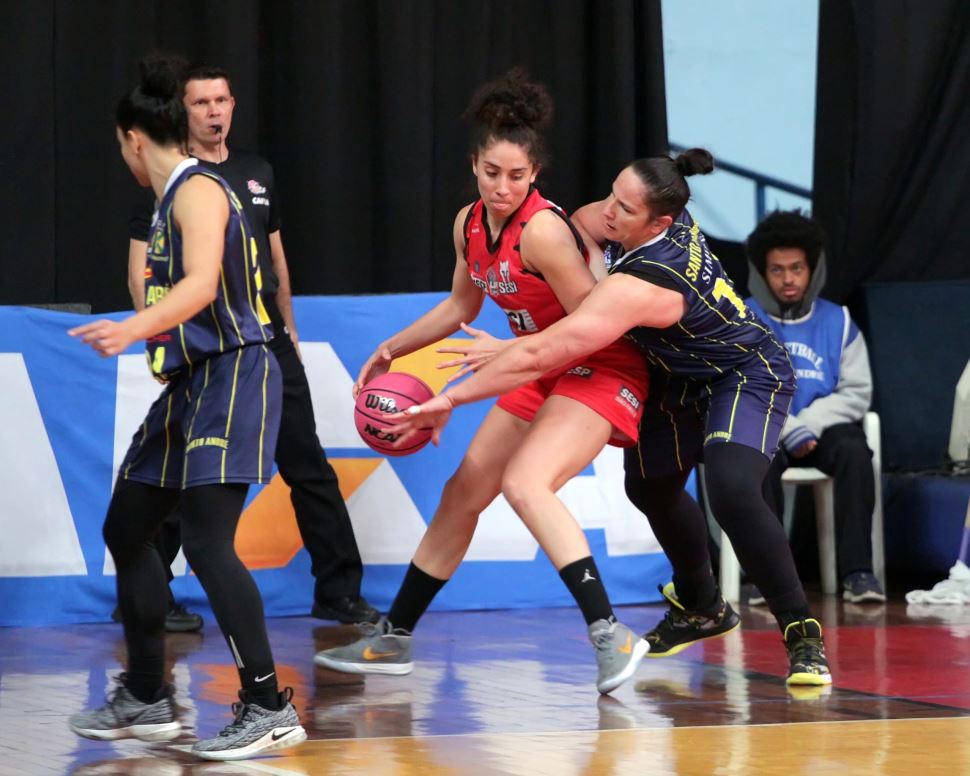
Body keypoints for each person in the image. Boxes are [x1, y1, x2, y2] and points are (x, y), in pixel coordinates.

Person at [391, 150, 833, 687]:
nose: (609, 213)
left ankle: (802, 634)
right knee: (648, 486)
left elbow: (544, 352)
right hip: (673, 375)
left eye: (624, 209)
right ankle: (702, 607)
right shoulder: (641, 212)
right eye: (612, 196)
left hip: (741, 371)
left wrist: (457, 395)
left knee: (733, 488)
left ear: (660, 223)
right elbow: (581, 224)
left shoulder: (645, 281)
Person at [314, 70, 650, 694]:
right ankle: (394, 637)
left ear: (534, 175)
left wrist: (514, 348)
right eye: (492, 172)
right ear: (474, 165)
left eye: (517, 176)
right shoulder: (468, 223)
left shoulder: (543, 232)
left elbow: (594, 327)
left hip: (598, 364)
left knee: (525, 485)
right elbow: (460, 307)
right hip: (538, 364)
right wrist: (392, 348)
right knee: (463, 492)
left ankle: (611, 633)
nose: (502, 186)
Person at [67, 56, 306, 759]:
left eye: (121, 146)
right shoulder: (170, 198)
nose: (123, 159)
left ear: (135, 138)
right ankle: (146, 694)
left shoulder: (197, 190)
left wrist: (130, 329)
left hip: (234, 371)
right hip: (193, 382)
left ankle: (267, 705)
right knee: (127, 527)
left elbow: (201, 285)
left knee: (205, 542)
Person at [126, 64, 378, 626]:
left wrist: (289, 326)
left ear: (233, 105)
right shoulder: (173, 180)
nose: (213, 111)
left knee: (308, 465)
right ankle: (147, 594)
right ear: (183, 112)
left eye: (221, 100)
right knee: (191, 471)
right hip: (207, 349)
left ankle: (339, 591)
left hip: (266, 342)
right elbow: (143, 271)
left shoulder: (256, 171)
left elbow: (274, 255)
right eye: (200, 103)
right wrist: (159, 340)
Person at [745, 210, 885, 603]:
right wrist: (790, 429)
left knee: (855, 451)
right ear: (762, 273)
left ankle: (858, 574)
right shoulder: (743, 320)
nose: (788, 279)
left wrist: (808, 424)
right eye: (777, 270)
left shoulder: (839, 321)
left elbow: (856, 392)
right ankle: (769, 576)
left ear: (812, 269)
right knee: (756, 460)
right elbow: (741, 391)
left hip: (822, 430)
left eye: (797, 268)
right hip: (767, 429)